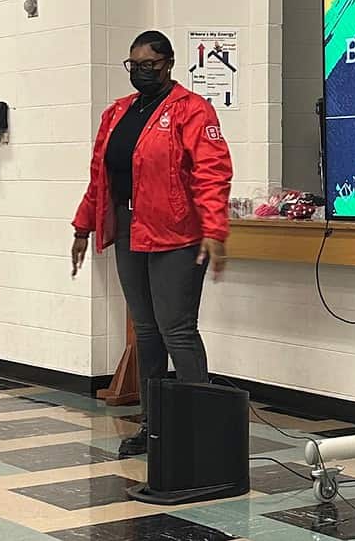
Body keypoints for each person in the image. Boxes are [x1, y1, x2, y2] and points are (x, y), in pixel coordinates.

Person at [71, 30, 233, 458]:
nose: (140, 73)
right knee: (145, 332)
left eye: (149, 66)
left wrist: (214, 230)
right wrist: (82, 227)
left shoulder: (192, 110)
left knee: (176, 329)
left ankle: (203, 430)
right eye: (134, 66)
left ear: (169, 64)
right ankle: (154, 426)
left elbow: (212, 173)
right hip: (129, 228)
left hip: (177, 233)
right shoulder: (117, 113)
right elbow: (99, 177)